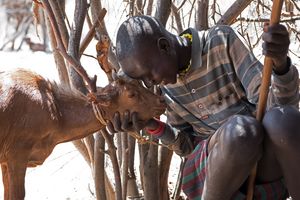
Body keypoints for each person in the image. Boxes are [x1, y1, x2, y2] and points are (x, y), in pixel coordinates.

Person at [107, 15, 300, 199]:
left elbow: (276, 107)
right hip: (213, 178)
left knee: (283, 120)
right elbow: (186, 145)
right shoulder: (167, 88)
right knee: (240, 134)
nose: (151, 83)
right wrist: (151, 125)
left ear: (164, 46)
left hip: (259, 161)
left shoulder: (221, 42)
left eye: (148, 75)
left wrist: (281, 65)